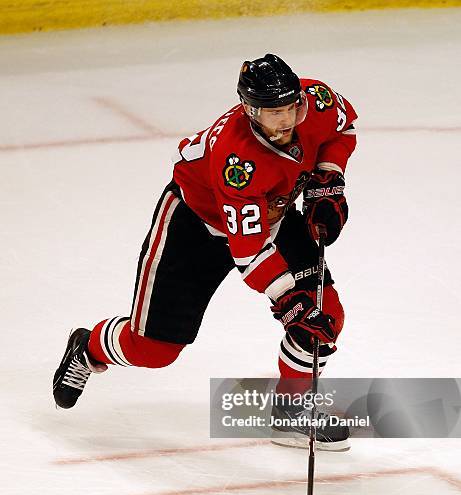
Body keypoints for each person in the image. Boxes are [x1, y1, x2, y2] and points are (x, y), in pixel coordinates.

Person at [53, 54, 357, 451]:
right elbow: (248, 252)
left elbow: (342, 129)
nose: (285, 120)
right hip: (195, 225)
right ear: (250, 111)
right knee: (154, 350)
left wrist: (327, 176)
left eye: (289, 108)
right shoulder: (238, 160)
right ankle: (88, 347)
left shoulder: (316, 100)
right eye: (273, 113)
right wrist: (290, 301)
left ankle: (291, 411)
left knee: (324, 316)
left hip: (273, 213)